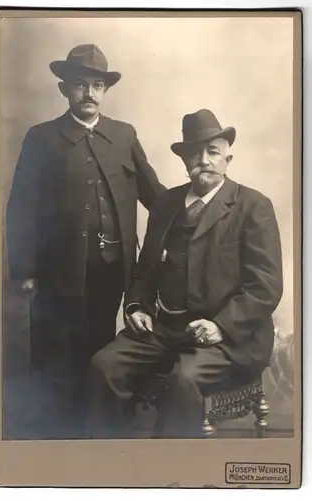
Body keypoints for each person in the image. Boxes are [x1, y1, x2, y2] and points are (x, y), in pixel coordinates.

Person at [90, 108, 283, 438]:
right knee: (104, 366)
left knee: (184, 380)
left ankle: (172, 473)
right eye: (194, 152)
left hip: (228, 339)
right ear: (184, 160)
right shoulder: (166, 203)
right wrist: (136, 306)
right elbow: (144, 270)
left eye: (213, 151)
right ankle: (108, 463)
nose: (204, 160)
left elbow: (266, 285)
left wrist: (220, 326)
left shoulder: (253, 206)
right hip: (166, 330)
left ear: (227, 158)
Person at [6, 44, 165, 426]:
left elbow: (157, 197)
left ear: (105, 90)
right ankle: (51, 435)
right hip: (55, 273)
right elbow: (21, 209)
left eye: (97, 85)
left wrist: (184, 234)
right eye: (80, 85)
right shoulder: (41, 138)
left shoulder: (123, 135)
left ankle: (94, 429)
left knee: (98, 349)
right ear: (64, 89)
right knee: (54, 353)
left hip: (111, 271)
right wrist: (24, 269)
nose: (89, 93)